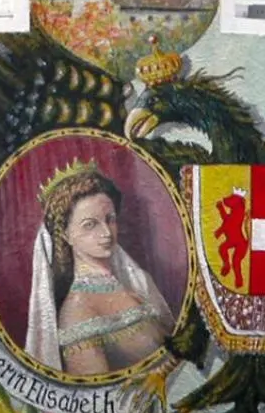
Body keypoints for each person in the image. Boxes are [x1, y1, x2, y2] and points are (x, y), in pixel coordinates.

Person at [26, 160, 173, 376]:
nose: (106, 232)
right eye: (90, 224)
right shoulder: (78, 312)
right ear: (66, 235)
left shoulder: (136, 282)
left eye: (110, 219)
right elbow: (104, 399)